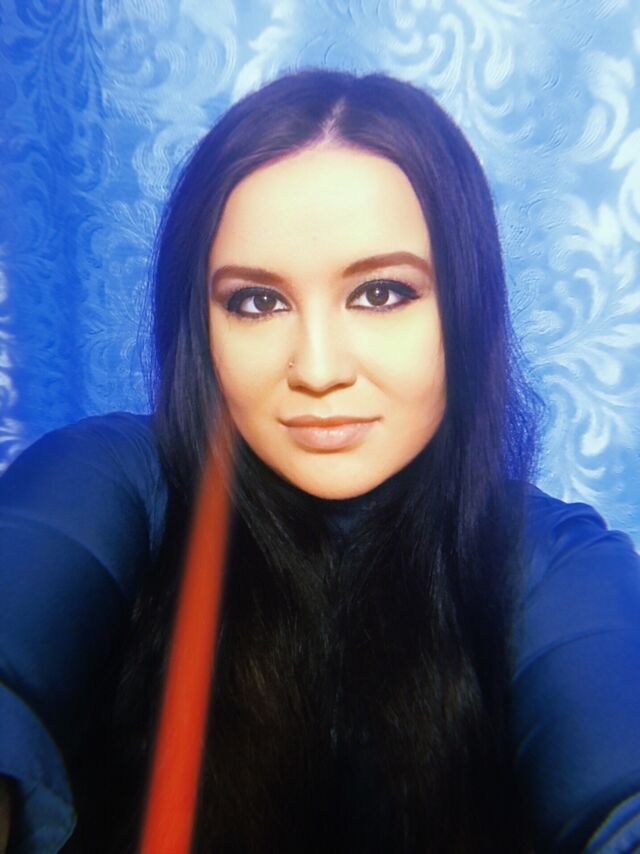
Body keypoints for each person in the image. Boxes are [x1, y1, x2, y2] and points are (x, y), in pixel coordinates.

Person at [1, 67, 639, 853]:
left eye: (381, 293)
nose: (318, 368)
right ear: (202, 325)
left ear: (463, 309)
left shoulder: (552, 565)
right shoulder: (113, 484)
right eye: (256, 301)